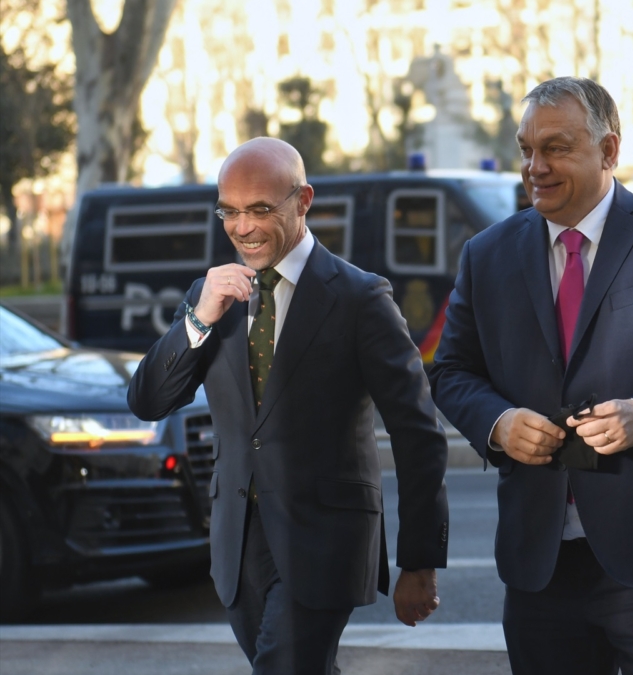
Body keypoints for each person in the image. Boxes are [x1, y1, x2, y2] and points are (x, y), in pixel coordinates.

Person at [428, 76, 633, 675]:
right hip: (540, 560)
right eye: (527, 148)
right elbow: (452, 371)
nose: (536, 166)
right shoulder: (487, 254)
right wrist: (498, 423)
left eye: (556, 147)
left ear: (609, 151)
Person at [127, 138, 449, 674]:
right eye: (229, 211)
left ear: (303, 202)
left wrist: (419, 561)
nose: (242, 227)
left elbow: (418, 434)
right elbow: (147, 401)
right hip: (237, 545)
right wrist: (200, 318)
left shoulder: (360, 298)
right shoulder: (211, 296)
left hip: (326, 541)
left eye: (259, 210)